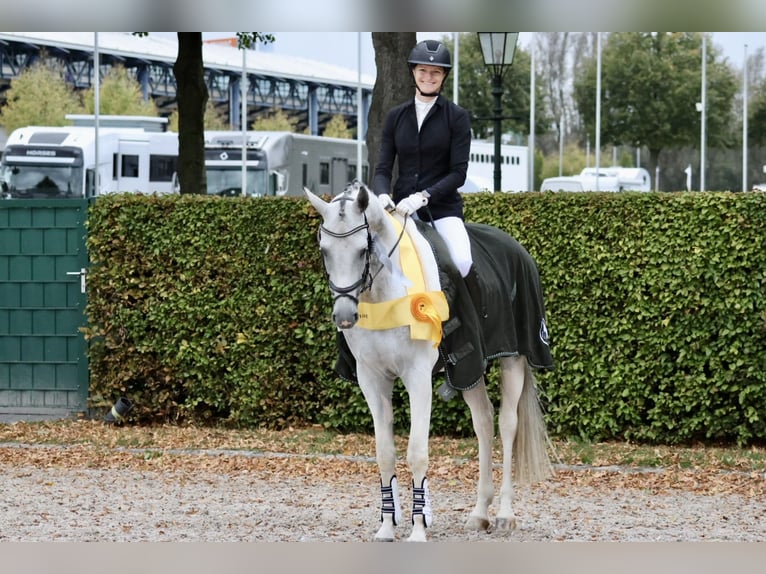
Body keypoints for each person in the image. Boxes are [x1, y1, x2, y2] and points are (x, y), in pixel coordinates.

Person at [373, 39, 485, 318]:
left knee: (461, 260)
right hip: (400, 211)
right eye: (423, 71)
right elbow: (383, 168)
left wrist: (424, 197)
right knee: (365, 259)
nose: (428, 77)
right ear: (413, 72)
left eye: (435, 72)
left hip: (442, 210)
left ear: (444, 76)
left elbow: (458, 173)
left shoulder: (456, 117)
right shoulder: (395, 117)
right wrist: (383, 194)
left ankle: (472, 323)